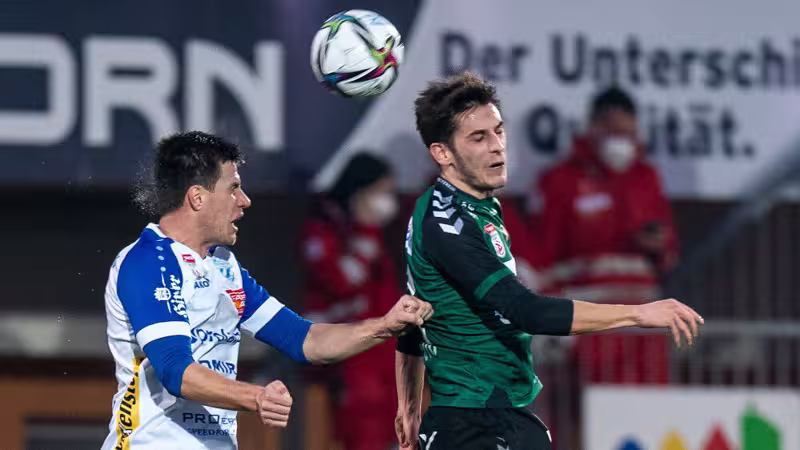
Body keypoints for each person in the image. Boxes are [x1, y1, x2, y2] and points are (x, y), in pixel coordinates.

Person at [394, 73, 702, 450]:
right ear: (443, 154)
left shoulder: (483, 208)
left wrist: (408, 406)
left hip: (509, 402)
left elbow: (414, 319)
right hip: (478, 410)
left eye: (499, 132)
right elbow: (527, 307)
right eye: (478, 137)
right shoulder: (448, 221)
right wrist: (637, 314)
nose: (497, 146)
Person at [101, 131, 432, 450]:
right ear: (197, 197)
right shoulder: (149, 261)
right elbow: (176, 371)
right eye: (233, 189)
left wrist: (385, 326)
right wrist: (257, 396)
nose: (244, 201)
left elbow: (305, 340)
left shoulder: (224, 266)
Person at [531, 86, 678, 384]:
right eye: (613, 131)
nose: (621, 140)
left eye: (628, 133)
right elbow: (542, 257)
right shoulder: (561, 180)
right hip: (590, 326)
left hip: (643, 328)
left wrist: (658, 246)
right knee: (592, 405)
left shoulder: (646, 178)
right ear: (593, 128)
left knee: (649, 406)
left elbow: (669, 250)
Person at [301, 152, 401, 450]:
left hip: (384, 351)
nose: (386, 202)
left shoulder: (375, 234)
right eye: (380, 192)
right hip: (347, 353)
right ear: (359, 192)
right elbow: (342, 283)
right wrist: (365, 229)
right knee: (363, 431)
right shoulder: (324, 229)